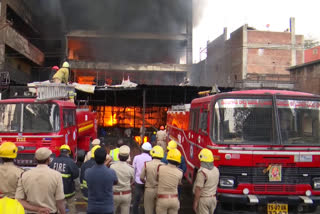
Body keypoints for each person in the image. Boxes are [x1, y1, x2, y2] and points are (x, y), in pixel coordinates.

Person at [15, 147, 66, 214]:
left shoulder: (25, 175)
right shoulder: (57, 175)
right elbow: (59, 201)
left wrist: (38, 209)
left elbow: (19, 200)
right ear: (48, 159)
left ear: (35, 159)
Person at [85, 148, 118, 214]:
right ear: (105, 158)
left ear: (94, 157)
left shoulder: (88, 172)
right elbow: (115, 182)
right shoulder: (111, 172)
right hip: (107, 208)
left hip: (92, 208)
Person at [50, 145, 79, 214]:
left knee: (58, 206)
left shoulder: (54, 161)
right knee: (71, 205)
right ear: (68, 153)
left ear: (60, 152)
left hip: (56, 190)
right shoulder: (71, 162)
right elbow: (76, 175)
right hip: (69, 190)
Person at [156, 148, 183, 214]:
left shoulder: (160, 168)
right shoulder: (180, 172)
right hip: (174, 200)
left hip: (162, 199)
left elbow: (157, 178)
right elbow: (179, 183)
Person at [193, 149, 219, 214]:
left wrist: (195, 202)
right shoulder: (216, 169)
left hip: (204, 200)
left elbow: (198, 188)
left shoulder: (202, 172)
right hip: (213, 199)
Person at [140, 145, 164, 214]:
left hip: (149, 190)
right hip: (160, 190)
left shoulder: (146, 164)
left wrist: (146, 182)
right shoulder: (164, 165)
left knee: (148, 210)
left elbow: (141, 177)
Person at [110, 145, 134, 214]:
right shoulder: (131, 169)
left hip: (114, 194)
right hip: (126, 194)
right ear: (128, 158)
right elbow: (133, 181)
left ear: (118, 156)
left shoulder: (112, 167)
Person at [132, 142, 152, 214]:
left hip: (138, 181)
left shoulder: (136, 157)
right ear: (149, 150)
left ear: (142, 149)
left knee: (136, 200)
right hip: (148, 182)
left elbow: (133, 169)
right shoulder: (151, 159)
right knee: (146, 201)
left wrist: (133, 180)